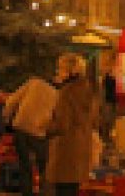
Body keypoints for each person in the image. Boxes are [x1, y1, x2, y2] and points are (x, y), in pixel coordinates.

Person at [46, 53, 99, 196]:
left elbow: (62, 123)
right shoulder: (87, 89)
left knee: (63, 189)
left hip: (66, 148)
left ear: (69, 71)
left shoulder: (66, 92)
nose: (58, 72)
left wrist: (46, 128)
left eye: (60, 68)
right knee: (73, 188)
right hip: (81, 146)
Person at [5, 71, 60, 196]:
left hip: (20, 126)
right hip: (38, 131)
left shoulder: (33, 83)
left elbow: (11, 101)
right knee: (44, 166)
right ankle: (45, 192)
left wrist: (7, 119)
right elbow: (57, 118)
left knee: (25, 165)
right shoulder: (57, 95)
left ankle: (27, 192)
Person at [100, 65, 117, 145]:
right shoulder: (110, 80)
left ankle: (107, 138)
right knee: (109, 120)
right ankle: (107, 137)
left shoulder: (106, 80)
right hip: (110, 101)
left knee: (108, 120)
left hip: (109, 101)